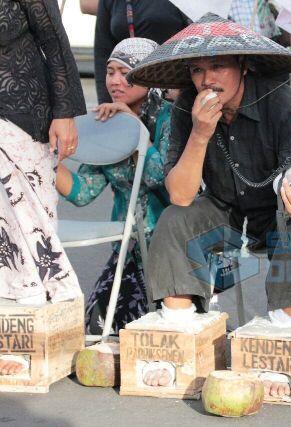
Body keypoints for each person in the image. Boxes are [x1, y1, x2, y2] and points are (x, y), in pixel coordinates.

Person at [126, 14, 291, 397]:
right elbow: (181, 195)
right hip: (227, 205)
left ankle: (284, 341)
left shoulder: (283, 102)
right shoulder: (186, 107)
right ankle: (180, 332)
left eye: (218, 66)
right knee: (176, 220)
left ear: (243, 65)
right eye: (197, 69)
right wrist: (201, 133)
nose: (207, 79)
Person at [0, 0, 86, 375]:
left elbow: (53, 41)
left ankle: (31, 321)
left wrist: (64, 113)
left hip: (21, 108)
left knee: (28, 222)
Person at [56, 38, 172, 334]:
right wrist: (46, 160)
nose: (115, 81)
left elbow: (159, 178)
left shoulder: (170, 119)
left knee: (153, 332)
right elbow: (83, 192)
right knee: (97, 329)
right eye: (110, 71)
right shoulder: (106, 123)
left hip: (170, 246)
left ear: (148, 75)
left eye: (126, 71)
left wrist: (135, 129)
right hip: (128, 248)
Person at [94, 0, 191, 103]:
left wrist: (184, 95)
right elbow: (102, 53)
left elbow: (196, 42)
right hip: (126, 86)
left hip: (171, 81)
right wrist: (105, 103)